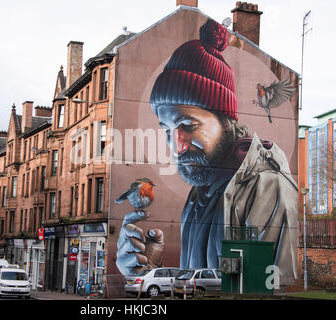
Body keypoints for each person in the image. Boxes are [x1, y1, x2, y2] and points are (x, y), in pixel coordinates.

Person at [116, 19, 298, 285]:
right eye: (167, 130)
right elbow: (201, 283)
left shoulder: (265, 187)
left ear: (226, 121)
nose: (177, 146)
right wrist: (151, 271)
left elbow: (262, 288)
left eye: (188, 125)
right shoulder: (204, 188)